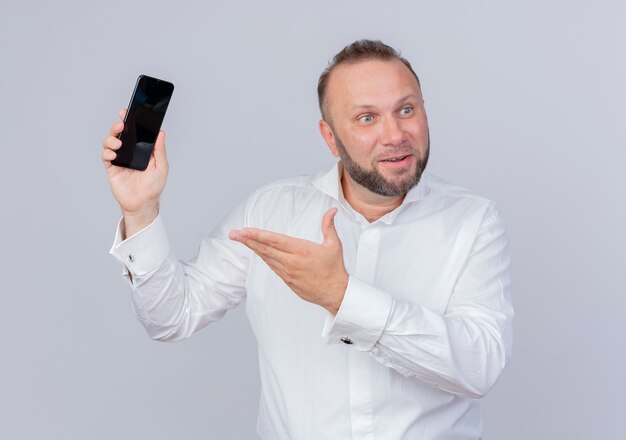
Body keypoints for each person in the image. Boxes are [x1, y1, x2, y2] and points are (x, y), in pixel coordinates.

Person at [102, 39, 513, 440]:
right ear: (330, 137)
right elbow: (171, 318)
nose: (395, 135)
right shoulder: (270, 212)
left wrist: (341, 295)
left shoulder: (472, 221)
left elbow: (479, 367)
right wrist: (140, 211)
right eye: (366, 118)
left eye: (406, 109)